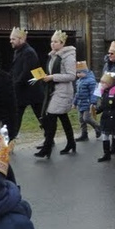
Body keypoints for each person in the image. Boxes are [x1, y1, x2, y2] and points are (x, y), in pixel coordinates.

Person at [34, 30, 76, 159]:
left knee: (51, 116)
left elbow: (71, 75)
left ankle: (47, 147)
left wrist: (52, 77)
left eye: (56, 42)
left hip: (63, 91)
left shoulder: (68, 56)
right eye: (52, 41)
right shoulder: (53, 56)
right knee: (63, 117)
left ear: (62, 43)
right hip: (54, 90)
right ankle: (71, 142)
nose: (53, 44)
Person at [9, 27, 44, 140]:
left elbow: (27, 72)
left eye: (13, 39)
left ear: (21, 39)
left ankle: (49, 139)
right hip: (22, 91)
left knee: (41, 116)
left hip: (31, 91)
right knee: (16, 117)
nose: (11, 41)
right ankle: (11, 140)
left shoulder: (29, 52)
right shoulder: (18, 52)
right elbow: (15, 70)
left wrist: (15, 84)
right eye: (11, 39)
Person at [96, 72, 115, 162]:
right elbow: (104, 105)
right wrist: (97, 110)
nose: (101, 84)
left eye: (104, 83)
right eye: (101, 82)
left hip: (114, 117)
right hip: (106, 117)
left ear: (110, 83)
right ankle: (106, 154)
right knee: (105, 135)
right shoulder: (104, 92)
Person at [72, 61, 101, 142]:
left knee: (86, 118)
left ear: (85, 72)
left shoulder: (91, 81)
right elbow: (77, 93)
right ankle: (84, 134)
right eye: (77, 73)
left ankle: (97, 126)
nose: (78, 75)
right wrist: (74, 103)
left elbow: (93, 93)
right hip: (80, 103)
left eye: (80, 72)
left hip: (88, 103)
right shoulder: (78, 81)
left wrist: (93, 102)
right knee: (81, 120)